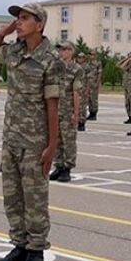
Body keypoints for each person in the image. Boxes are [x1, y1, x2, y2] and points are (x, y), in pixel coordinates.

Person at [0, 2, 60, 261]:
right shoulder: (14, 51)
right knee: (12, 197)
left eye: (24, 18)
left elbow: (53, 105)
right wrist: (0, 34)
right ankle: (19, 244)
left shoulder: (50, 60)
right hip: (12, 137)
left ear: (39, 24)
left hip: (35, 140)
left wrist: (52, 145)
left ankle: (36, 250)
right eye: (17, 18)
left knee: (35, 198)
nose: (19, 22)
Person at [50, 41, 82, 183]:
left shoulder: (76, 69)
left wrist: (76, 113)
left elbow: (76, 92)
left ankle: (67, 167)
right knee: (56, 139)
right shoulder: (56, 67)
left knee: (68, 139)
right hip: (56, 108)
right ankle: (58, 165)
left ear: (71, 51)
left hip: (68, 108)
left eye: (63, 50)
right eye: (60, 50)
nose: (60, 52)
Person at [85, 52, 102, 121]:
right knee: (89, 99)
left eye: (92, 54)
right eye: (90, 54)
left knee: (94, 99)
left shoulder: (98, 63)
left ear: (95, 55)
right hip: (88, 84)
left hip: (94, 83)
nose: (90, 56)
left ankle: (94, 113)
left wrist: (97, 83)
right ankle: (90, 113)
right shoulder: (88, 63)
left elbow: (99, 73)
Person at [75, 52, 89, 131]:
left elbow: (88, 79)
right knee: (76, 106)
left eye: (81, 57)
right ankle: (77, 122)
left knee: (82, 107)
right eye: (79, 57)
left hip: (83, 89)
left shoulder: (86, 67)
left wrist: (87, 89)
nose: (80, 59)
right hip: (77, 89)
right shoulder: (76, 66)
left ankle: (82, 123)